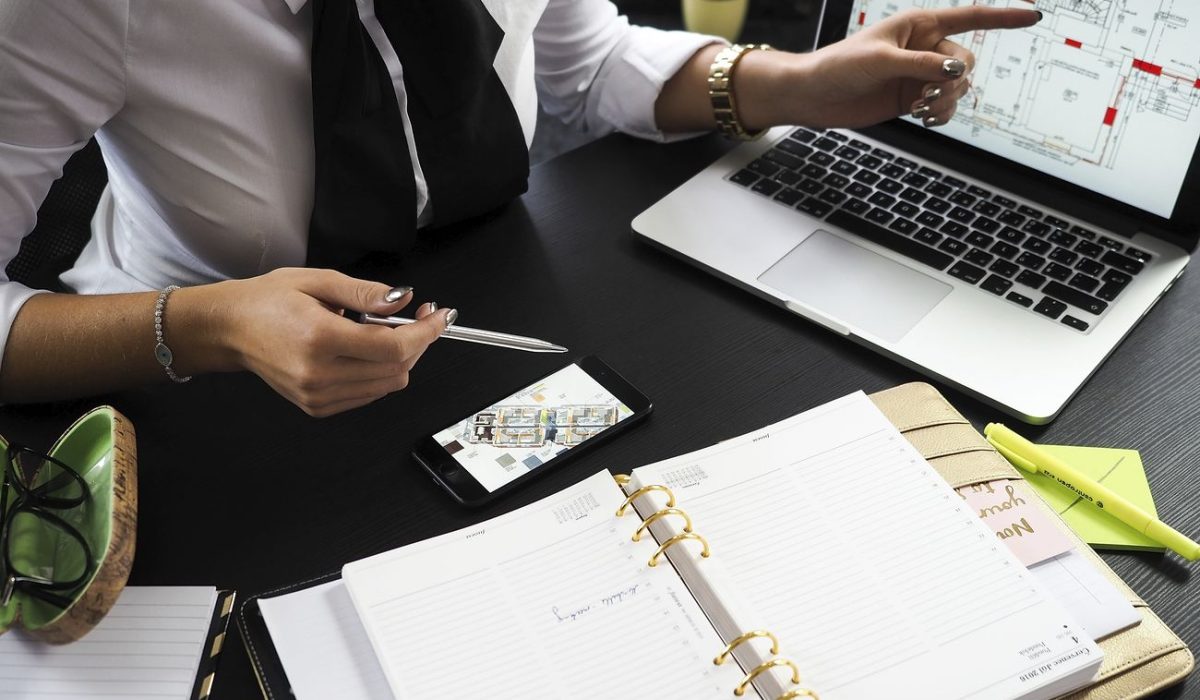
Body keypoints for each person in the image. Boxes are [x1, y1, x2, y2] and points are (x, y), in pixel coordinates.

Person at [0, 1, 1038, 416]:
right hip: (198, 388)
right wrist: (211, 324)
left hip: (493, 297)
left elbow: (582, 67)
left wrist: (781, 83)